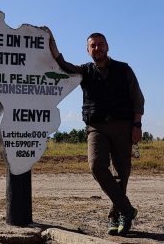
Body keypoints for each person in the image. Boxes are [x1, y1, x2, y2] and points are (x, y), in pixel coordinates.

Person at [46, 28, 145, 236]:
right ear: (88, 50)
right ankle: (127, 210)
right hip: (96, 127)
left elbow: (138, 99)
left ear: (107, 47)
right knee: (96, 166)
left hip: (124, 126)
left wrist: (137, 125)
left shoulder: (124, 69)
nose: (97, 48)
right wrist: (53, 47)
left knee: (122, 174)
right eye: (93, 46)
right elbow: (64, 67)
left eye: (100, 44)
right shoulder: (85, 71)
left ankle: (115, 217)